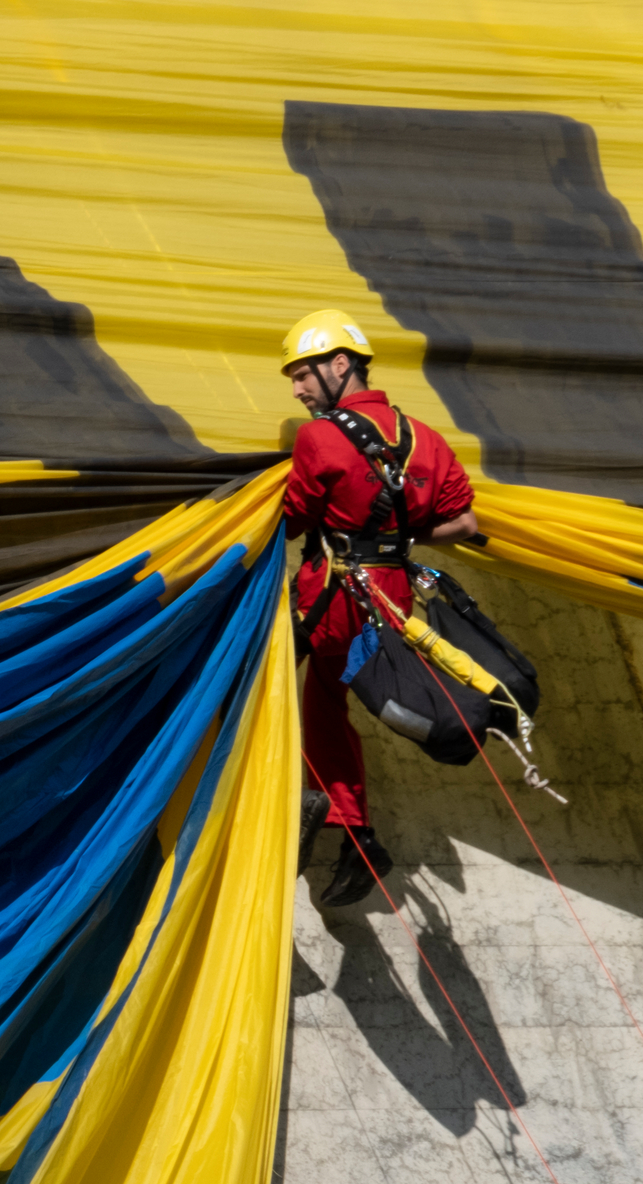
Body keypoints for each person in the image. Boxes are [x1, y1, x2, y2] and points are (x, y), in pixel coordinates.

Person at [280, 310, 479, 906]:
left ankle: (311, 811)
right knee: (324, 699)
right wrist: (398, 537)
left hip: (333, 598)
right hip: (389, 603)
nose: (297, 388)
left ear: (341, 365)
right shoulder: (425, 438)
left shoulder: (317, 438)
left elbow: (292, 522)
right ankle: (354, 835)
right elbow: (464, 522)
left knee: (260, 687)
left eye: (303, 374)